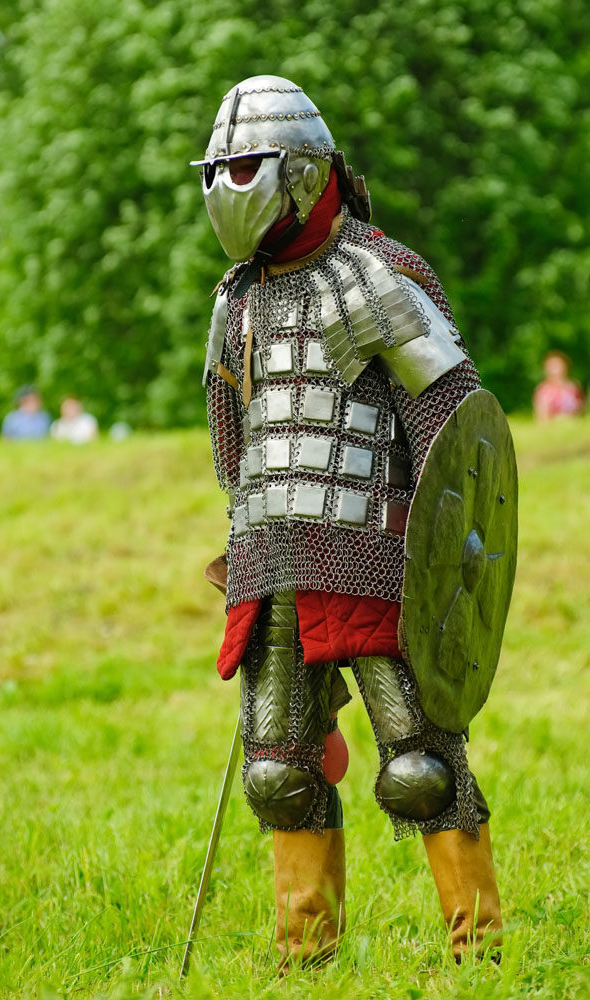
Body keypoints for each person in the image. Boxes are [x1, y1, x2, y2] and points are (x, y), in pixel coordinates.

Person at [193, 76, 517, 970]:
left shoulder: (376, 273)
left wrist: (445, 559)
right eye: (218, 170)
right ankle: (306, 962)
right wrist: (247, 535)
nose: (227, 187)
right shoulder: (236, 298)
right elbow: (234, 438)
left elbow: (456, 425)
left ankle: (481, 954)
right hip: (275, 560)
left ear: (303, 171)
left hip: (379, 558)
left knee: (421, 768)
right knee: (278, 771)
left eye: (246, 167)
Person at [533, 351, 584, 420]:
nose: (555, 370)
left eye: (557, 366)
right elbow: (542, 416)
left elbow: (581, 410)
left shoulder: (574, 387)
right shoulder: (544, 390)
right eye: (551, 366)